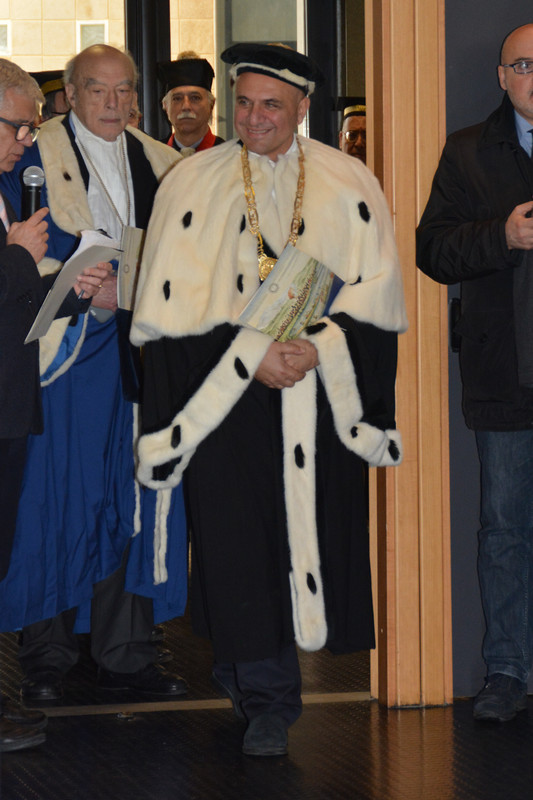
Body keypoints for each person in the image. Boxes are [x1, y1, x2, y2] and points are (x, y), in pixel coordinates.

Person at [132, 42, 407, 756]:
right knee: (236, 547)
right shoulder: (190, 183)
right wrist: (251, 357)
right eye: (245, 103)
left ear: (302, 108)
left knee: (305, 537)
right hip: (223, 398)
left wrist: (319, 347)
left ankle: (260, 685)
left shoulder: (349, 181)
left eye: (271, 106)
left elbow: (377, 302)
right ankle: (265, 699)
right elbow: (166, 317)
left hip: (318, 394)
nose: (254, 119)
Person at [0, 45, 188, 705]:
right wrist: (83, 287)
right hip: (63, 358)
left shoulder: (165, 164)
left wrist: (133, 289)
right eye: (97, 90)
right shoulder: (32, 154)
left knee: (131, 497)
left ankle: (125, 651)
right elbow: (18, 248)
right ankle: (47, 655)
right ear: (71, 95)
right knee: (53, 499)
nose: (112, 103)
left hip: (140, 354)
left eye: (124, 90)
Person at [417, 23, 533, 722]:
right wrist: (503, 236)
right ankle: (507, 670)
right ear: (501, 76)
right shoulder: (467, 150)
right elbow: (431, 252)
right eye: (524, 65)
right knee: (504, 529)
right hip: (504, 373)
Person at [0, 59, 109, 751]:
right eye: (17, 126)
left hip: (11, 403)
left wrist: (72, 290)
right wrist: (17, 255)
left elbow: (14, 305)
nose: (26, 140)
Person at [158, 51, 224, 155]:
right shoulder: (153, 156)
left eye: (195, 98)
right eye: (177, 99)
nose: (186, 106)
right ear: (165, 106)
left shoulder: (230, 157)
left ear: (211, 105)